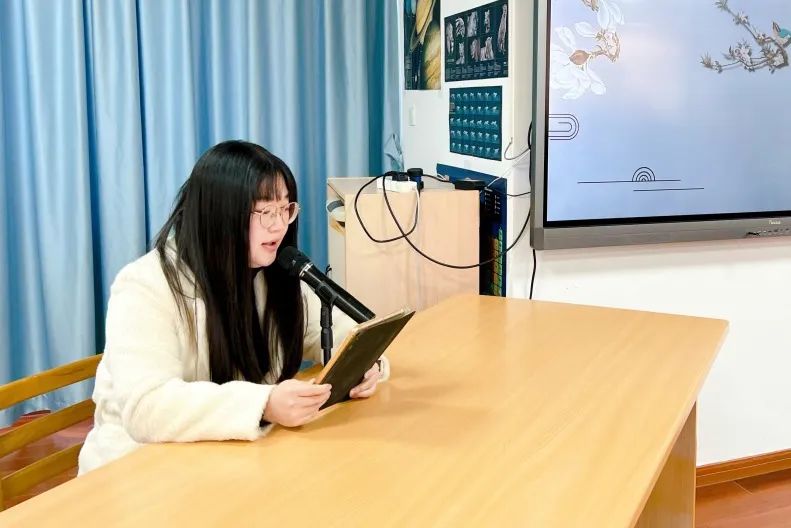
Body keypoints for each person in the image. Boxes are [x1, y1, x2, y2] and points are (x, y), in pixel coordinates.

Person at [78, 140, 388, 474]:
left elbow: (332, 330)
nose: (279, 224)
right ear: (220, 216)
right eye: (265, 211)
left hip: (225, 461)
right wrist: (264, 404)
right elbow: (147, 407)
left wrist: (362, 364)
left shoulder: (271, 271)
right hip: (136, 471)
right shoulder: (145, 286)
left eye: (285, 208)